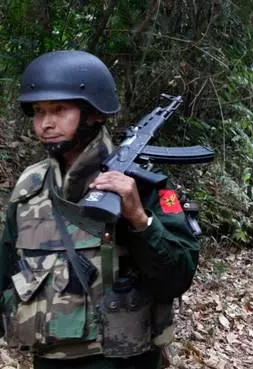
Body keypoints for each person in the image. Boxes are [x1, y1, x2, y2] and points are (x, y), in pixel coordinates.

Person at [0, 50, 200, 368]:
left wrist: (138, 218)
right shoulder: (29, 185)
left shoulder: (146, 184)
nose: (45, 123)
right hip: (48, 358)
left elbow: (178, 277)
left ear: (94, 113)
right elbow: (6, 268)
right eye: (38, 111)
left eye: (59, 109)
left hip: (124, 360)